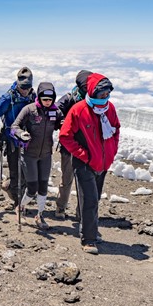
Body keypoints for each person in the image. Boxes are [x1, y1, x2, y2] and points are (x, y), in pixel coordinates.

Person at [59, 73, 120, 255]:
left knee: (95, 199)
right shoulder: (79, 110)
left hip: (102, 164)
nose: (105, 97)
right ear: (92, 92)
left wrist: (111, 153)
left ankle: (89, 230)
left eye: (107, 94)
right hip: (84, 164)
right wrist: (83, 155)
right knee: (90, 200)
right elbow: (65, 136)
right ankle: (89, 239)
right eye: (101, 94)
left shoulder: (110, 109)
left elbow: (116, 130)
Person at [11, 82, 63, 229]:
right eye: (44, 99)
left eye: (50, 99)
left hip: (46, 154)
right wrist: (21, 134)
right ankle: (20, 207)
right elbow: (14, 127)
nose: (47, 102)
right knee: (32, 187)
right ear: (39, 97)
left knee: (43, 187)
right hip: (29, 154)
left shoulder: (56, 112)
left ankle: (40, 215)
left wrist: (65, 125)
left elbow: (62, 124)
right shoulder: (29, 110)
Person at [0, 67, 36, 208]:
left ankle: (13, 190)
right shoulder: (8, 98)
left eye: (28, 87)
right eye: (23, 87)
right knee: (16, 170)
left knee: (28, 170)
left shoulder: (33, 96)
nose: (25, 91)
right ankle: (17, 201)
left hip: (28, 139)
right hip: (12, 140)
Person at [56, 70, 92, 220]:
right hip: (73, 147)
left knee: (78, 180)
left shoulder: (81, 99)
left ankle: (76, 210)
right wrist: (63, 121)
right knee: (69, 179)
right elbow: (56, 110)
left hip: (82, 147)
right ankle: (62, 207)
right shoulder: (70, 99)